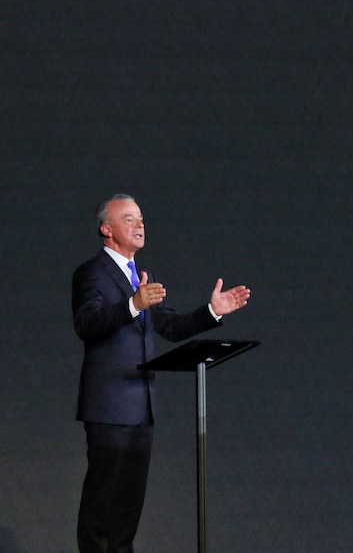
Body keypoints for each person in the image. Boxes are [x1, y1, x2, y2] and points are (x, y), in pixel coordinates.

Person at [71, 193, 251, 553]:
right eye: (128, 219)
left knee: (128, 511)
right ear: (106, 229)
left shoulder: (142, 275)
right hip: (109, 407)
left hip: (142, 409)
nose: (139, 225)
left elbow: (169, 326)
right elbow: (87, 323)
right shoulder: (92, 272)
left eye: (140, 218)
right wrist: (133, 304)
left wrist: (211, 312)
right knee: (101, 507)